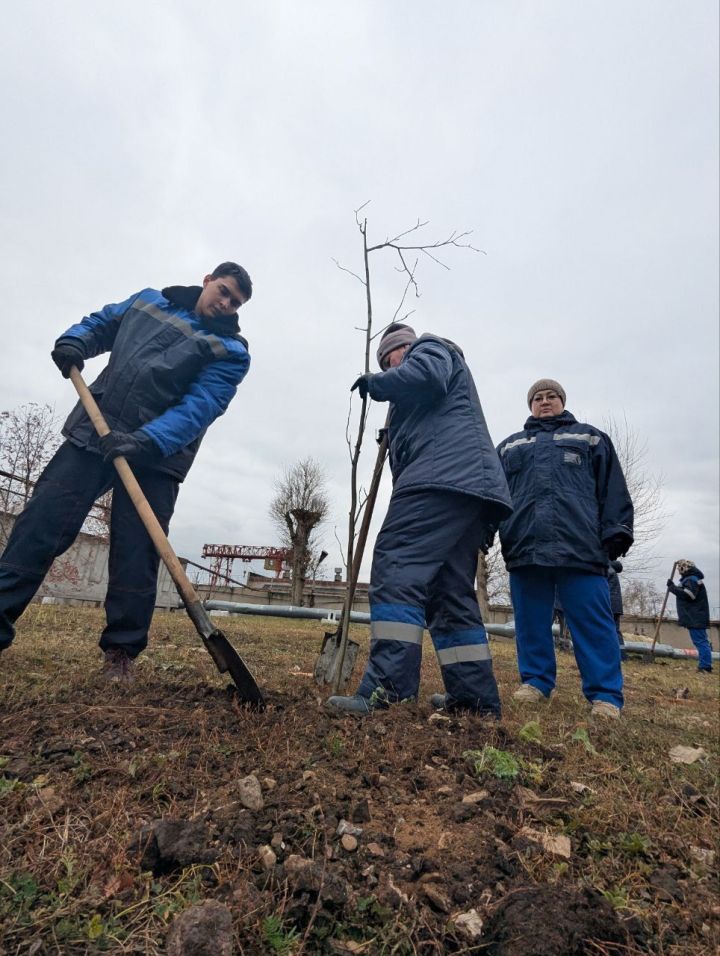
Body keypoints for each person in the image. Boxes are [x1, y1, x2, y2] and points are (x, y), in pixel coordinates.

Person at [0, 263, 253, 681]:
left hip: (158, 456)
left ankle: (121, 653)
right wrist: (76, 341)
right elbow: (104, 323)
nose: (225, 303)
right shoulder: (150, 301)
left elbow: (201, 406)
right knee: (40, 525)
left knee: (136, 554)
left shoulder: (232, 352)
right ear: (208, 280)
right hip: (94, 430)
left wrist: (146, 441)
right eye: (223, 291)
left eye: (235, 302)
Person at [327, 323, 513, 717]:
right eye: (384, 362)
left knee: (397, 567)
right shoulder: (411, 404)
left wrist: (378, 383)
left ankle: (388, 692)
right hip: (466, 489)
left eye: (390, 358)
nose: (390, 364)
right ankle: (475, 701)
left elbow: (425, 375)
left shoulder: (431, 348)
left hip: (441, 480)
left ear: (403, 349)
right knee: (449, 595)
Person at [496, 379, 634, 719]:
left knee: (593, 622)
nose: (545, 402)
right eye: (538, 397)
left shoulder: (590, 438)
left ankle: (605, 695)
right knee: (529, 621)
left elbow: (612, 487)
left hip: (581, 547)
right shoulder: (510, 447)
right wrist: (485, 530)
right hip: (525, 545)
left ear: (562, 401)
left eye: (552, 396)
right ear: (530, 405)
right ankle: (536, 682)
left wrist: (617, 530)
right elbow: (494, 494)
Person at [667, 559, 713, 673]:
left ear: (684, 568)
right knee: (700, 641)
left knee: (701, 641)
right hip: (695, 615)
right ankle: (704, 665)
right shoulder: (691, 578)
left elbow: (689, 595)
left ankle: (705, 667)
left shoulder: (691, 579)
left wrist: (672, 588)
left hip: (696, 616)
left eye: (680, 569)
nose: (679, 571)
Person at [607, 559, 627, 660]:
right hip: (617, 606)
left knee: (608, 629)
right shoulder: (613, 570)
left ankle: (613, 655)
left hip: (609, 604)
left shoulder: (606, 569)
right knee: (616, 630)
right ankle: (622, 654)